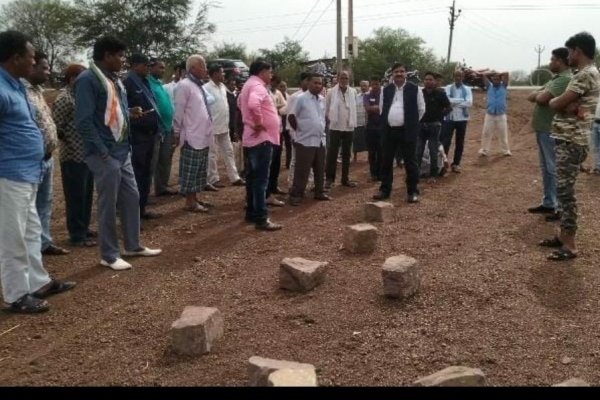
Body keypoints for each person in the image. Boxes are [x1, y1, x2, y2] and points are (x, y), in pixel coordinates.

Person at [1, 30, 75, 313]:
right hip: (9, 175)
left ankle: (38, 282)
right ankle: (16, 295)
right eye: (31, 57)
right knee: (13, 237)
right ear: (15, 57)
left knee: (31, 231)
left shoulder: (16, 85)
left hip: (28, 172)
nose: (34, 62)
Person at [75, 36, 162, 271]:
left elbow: (111, 111)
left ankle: (132, 245)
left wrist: (129, 111)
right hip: (105, 153)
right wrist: (103, 152)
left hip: (122, 150)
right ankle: (109, 254)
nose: (123, 61)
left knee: (131, 198)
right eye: (120, 56)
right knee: (108, 205)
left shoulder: (113, 80)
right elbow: (83, 121)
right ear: (107, 56)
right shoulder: (88, 80)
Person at [541, 32, 600, 261]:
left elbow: (557, 102)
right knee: (563, 189)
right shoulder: (584, 74)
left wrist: (559, 102)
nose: (569, 56)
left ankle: (570, 244)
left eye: (570, 52)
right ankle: (563, 235)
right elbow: (568, 105)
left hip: (572, 140)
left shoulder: (585, 75)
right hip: (570, 138)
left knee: (565, 193)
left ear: (578, 51)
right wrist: (567, 105)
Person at [24, 51, 71, 256]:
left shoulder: (37, 91)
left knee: (44, 202)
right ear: (31, 66)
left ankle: (43, 242)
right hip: (29, 160)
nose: (48, 71)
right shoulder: (20, 91)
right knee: (28, 207)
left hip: (47, 157)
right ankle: (29, 249)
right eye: (44, 67)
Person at [53, 63, 97, 247]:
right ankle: (77, 235)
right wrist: (70, 141)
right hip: (72, 156)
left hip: (86, 154)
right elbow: (55, 126)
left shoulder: (81, 97)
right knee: (75, 197)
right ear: (72, 79)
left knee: (86, 195)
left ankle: (84, 228)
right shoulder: (64, 99)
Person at [526, 48, 572, 219]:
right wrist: (541, 94)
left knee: (553, 168)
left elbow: (541, 98)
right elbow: (532, 95)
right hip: (544, 129)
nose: (550, 62)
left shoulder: (565, 79)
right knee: (546, 168)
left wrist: (541, 94)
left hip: (551, 130)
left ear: (559, 61)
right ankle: (549, 203)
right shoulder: (556, 79)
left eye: (552, 59)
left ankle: (559, 207)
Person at [237, 60, 283, 231]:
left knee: (252, 179)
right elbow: (253, 104)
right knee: (260, 181)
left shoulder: (248, 85)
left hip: (253, 138)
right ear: (262, 71)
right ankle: (261, 218)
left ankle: (251, 213)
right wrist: (258, 122)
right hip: (261, 139)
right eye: (269, 72)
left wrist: (253, 122)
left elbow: (241, 104)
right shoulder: (257, 86)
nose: (271, 75)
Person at [373, 62, 425, 203]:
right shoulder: (386, 89)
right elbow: (382, 109)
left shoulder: (415, 89)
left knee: (410, 161)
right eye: (396, 72)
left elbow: (421, 109)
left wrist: (411, 123)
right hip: (389, 131)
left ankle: (412, 191)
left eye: (402, 71)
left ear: (406, 73)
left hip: (407, 131)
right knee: (386, 160)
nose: (399, 74)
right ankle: (385, 190)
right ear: (392, 74)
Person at [173, 55, 214, 214]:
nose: (205, 69)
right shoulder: (184, 86)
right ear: (192, 68)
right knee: (190, 170)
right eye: (202, 66)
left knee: (199, 170)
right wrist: (176, 132)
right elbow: (178, 111)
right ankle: (189, 202)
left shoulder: (198, 85)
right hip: (192, 135)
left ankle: (194, 198)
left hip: (203, 134)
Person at [124, 53, 162, 220]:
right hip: (137, 137)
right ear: (135, 65)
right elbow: (123, 110)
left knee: (146, 173)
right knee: (136, 174)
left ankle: (142, 208)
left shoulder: (145, 82)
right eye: (145, 65)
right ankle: (132, 213)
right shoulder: (127, 83)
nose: (148, 68)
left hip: (150, 135)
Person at [288, 73, 332, 206]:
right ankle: (296, 195)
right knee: (302, 169)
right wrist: (300, 131)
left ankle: (319, 192)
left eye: (320, 83)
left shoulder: (322, 99)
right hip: (305, 140)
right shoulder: (300, 98)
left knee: (320, 168)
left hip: (319, 140)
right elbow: (291, 117)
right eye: (315, 83)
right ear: (308, 83)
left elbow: (322, 117)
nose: (318, 85)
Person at [204, 64, 245, 188]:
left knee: (229, 151)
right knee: (212, 154)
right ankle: (213, 179)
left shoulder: (223, 87)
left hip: (224, 125)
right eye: (221, 72)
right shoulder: (206, 88)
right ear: (215, 74)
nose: (223, 75)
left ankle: (234, 177)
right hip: (212, 126)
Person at [147, 57, 178, 197]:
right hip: (156, 129)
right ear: (151, 68)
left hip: (167, 127)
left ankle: (162, 187)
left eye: (164, 67)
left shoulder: (159, 84)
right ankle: (145, 193)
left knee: (165, 160)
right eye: (160, 67)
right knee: (152, 162)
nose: (163, 70)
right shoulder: (147, 84)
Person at [325, 70, 358, 189]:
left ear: (349, 79)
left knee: (346, 154)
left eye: (346, 78)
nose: (344, 80)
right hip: (335, 126)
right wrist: (329, 119)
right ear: (338, 79)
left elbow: (354, 107)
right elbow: (326, 108)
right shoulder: (330, 92)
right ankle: (329, 179)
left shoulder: (353, 91)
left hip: (349, 126)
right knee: (332, 154)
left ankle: (345, 179)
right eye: (342, 78)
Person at [417, 72, 451, 183]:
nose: (428, 81)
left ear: (434, 81)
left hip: (434, 126)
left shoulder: (440, 94)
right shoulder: (420, 93)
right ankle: (415, 174)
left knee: (433, 151)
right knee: (418, 151)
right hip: (421, 125)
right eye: (426, 79)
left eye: (430, 79)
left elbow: (449, 107)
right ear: (423, 81)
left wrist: (440, 117)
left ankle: (433, 175)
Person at [442, 70, 473, 173]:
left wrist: (453, 102)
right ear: (453, 77)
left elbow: (469, 103)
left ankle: (456, 164)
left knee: (460, 142)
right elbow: (446, 101)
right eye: (456, 76)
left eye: (460, 76)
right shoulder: (448, 88)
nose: (458, 78)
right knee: (446, 142)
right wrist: (461, 100)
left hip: (462, 119)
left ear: (463, 77)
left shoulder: (467, 89)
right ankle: (443, 164)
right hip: (449, 118)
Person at [479, 70, 512, 157]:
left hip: (501, 115)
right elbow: (484, 75)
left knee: (503, 133)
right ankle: (484, 150)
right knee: (486, 133)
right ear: (492, 80)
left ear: (500, 80)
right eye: (494, 79)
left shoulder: (503, 86)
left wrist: (499, 74)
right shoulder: (489, 86)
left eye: (498, 79)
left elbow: (507, 73)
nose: (496, 81)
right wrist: (493, 74)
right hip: (490, 114)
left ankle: (506, 150)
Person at [266, 75, 287, 206]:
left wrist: (278, 109)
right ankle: (267, 190)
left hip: (278, 130)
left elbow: (284, 108)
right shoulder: (265, 91)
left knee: (276, 161)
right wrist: (277, 109)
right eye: (275, 83)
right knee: (269, 161)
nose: (275, 85)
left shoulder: (278, 93)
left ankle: (274, 185)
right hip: (268, 133)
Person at [364, 76, 383, 182]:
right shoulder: (367, 95)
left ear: (380, 84)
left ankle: (380, 174)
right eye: (373, 84)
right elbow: (367, 108)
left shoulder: (384, 95)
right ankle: (373, 174)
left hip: (382, 127)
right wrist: (378, 107)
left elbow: (384, 108)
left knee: (381, 152)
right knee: (371, 152)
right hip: (370, 127)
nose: (375, 86)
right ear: (370, 85)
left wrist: (375, 107)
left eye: (377, 84)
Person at [353, 80, 369, 162]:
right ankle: (354, 157)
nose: (363, 87)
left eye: (365, 85)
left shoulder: (371, 96)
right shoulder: (357, 96)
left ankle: (369, 157)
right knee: (356, 139)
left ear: (368, 86)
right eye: (362, 86)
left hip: (368, 122)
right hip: (358, 121)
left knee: (368, 140)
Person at [279, 80, 293, 169]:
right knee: (279, 146)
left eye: (285, 86)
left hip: (287, 123)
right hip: (279, 123)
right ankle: (277, 163)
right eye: (281, 86)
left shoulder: (289, 97)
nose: (284, 88)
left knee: (289, 145)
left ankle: (288, 163)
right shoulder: (275, 96)